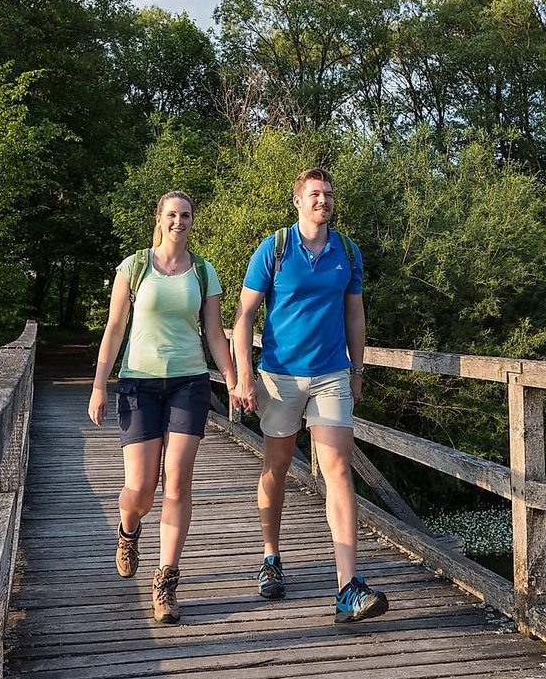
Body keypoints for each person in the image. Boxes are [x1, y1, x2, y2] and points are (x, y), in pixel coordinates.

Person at [230, 167, 388, 623]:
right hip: (280, 376)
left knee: (338, 468)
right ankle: (271, 556)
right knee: (276, 467)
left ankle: (347, 589)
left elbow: (354, 316)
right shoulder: (275, 247)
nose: (324, 200)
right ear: (298, 201)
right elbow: (243, 318)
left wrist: (357, 370)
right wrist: (243, 376)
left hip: (331, 374)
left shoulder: (347, 251)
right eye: (315, 194)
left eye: (329, 194)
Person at [89, 190, 235, 624]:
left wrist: (232, 378)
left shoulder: (204, 273)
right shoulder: (134, 267)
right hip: (138, 384)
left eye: (186, 215)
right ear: (159, 218)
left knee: (177, 482)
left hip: (189, 383)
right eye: (171, 214)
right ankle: (128, 529)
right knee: (141, 488)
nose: (179, 221)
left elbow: (214, 334)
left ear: (193, 221)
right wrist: (99, 385)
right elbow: (115, 328)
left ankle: (166, 580)